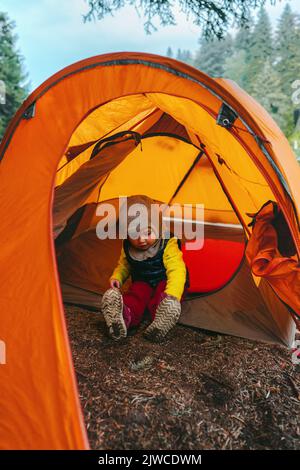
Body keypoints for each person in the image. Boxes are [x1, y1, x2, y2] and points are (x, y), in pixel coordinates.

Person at [101, 196, 188, 342]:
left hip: (165, 279)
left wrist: (172, 294)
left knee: (161, 294)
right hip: (143, 280)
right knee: (136, 294)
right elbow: (124, 265)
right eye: (134, 234)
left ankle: (161, 319)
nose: (141, 239)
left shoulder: (167, 243)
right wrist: (117, 277)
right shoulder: (129, 247)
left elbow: (177, 270)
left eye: (148, 233)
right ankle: (123, 316)